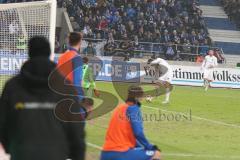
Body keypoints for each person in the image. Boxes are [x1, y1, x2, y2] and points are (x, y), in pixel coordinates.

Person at [0, 36, 89, 160]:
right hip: (56, 154)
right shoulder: (66, 88)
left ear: (29, 52)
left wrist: (11, 147)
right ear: (48, 53)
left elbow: (3, 123)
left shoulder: (12, 86)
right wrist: (77, 155)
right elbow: (76, 129)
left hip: (22, 153)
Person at [100, 85, 161, 160]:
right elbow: (138, 132)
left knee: (138, 151)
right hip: (120, 153)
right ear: (139, 97)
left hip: (105, 153)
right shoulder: (133, 108)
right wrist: (150, 147)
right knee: (155, 154)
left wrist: (140, 146)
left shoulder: (120, 108)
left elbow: (129, 136)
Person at [57, 32, 84, 98]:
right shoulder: (76, 57)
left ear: (69, 42)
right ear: (80, 42)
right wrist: (81, 97)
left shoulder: (62, 56)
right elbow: (77, 80)